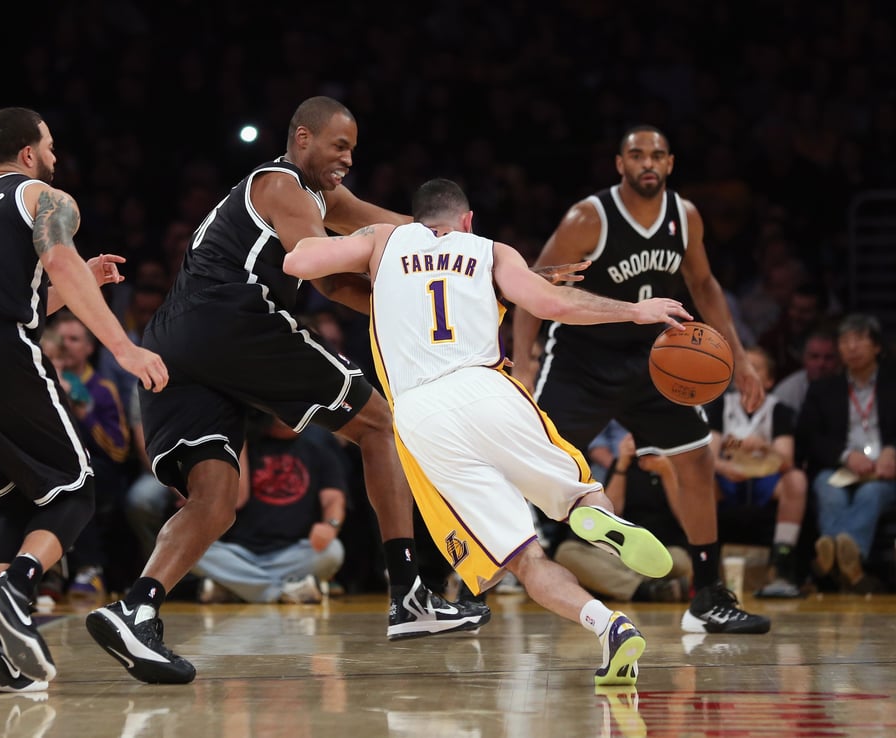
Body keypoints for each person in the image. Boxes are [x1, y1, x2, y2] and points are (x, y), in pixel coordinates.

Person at [86, 97, 489, 686]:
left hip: (177, 341)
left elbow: (409, 232)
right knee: (379, 425)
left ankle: (136, 609)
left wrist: (483, 263)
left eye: (354, 147)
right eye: (338, 145)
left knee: (215, 499)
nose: (348, 158)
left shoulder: (320, 195)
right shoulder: (280, 183)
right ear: (302, 138)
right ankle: (410, 595)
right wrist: (438, 298)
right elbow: (323, 274)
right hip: (235, 322)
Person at [283, 177, 691, 686]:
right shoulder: (491, 251)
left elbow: (298, 262)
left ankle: (608, 625)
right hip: (489, 388)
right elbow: (554, 306)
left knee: (522, 558)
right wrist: (636, 310)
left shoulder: (385, 239)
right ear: (467, 221)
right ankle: (594, 516)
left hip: (422, 414)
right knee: (577, 495)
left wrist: (362, 238)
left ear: (415, 219)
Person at [0, 107, 168, 694]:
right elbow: (57, 260)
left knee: (16, 507)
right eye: (49, 145)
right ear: (29, 154)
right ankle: (13, 587)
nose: (55, 155)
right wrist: (123, 348)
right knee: (76, 487)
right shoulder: (46, 198)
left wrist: (77, 289)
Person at [511, 125, 772, 634]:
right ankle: (471, 575)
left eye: (656, 155)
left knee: (697, 460)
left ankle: (708, 595)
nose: (647, 162)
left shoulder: (685, 217)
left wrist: (739, 359)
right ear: (620, 164)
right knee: (525, 459)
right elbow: (533, 283)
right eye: (636, 155)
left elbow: (705, 284)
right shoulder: (590, 217)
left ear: (671, 163)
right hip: (581, 360)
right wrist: (523, 361)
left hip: (657, 359)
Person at [193, 413, 347, 604]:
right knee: (192, 547)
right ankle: (283, 592)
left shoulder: (319, 441)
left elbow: (333, 497)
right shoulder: (241, 440)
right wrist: (239, 440)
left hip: (292, 552)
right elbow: (236, 500)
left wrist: (330, 525)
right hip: (239, 551)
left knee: (333, 551)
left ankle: (237, 587)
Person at [795, 313, 896, 594]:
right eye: (845, 340)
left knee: (871, 493)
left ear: (877, 346)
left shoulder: (892, 382)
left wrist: (892, 451)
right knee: (828, 489)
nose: (852, 347)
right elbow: (809, 436)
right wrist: (845, 455)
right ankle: (851, 566)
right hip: (839, 468)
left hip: (884, 471)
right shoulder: (823, 388)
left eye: (859, 339)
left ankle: (831, 556)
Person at [705, 346, 808, 598]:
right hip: (727, 477)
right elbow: (709, 456)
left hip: (765, 477)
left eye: (756, 367)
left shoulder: (779, 410)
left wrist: (765, 447)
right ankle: (706, 564)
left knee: (796, 479)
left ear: (770, 380)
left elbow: (786, 461)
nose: (747, 371)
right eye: (743, 366)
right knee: (699, 478)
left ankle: (782, 563)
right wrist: (725, 467)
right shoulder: (720, 405)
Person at [556, 432, 692, 603]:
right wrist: (621, 464)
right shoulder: (622, 465)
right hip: (623, 552)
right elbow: (609, 516)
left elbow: (686, 520)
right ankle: (645, 589)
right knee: (566, 553)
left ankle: (626, 585)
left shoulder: (676, 464)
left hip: (667, 549)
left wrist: (666, 472)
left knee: (679, 563)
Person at [53, 311, 131, 598]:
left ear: (89, 347)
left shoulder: (102, 389)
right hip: (55, 466)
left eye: (74, 339)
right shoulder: (43, 385)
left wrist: (85, 415)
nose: (66, 345)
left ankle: (90, 569)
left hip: (100, 467)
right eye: (60, 339)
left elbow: (120, 450)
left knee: (78, 480)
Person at [772, 328, 840, 415]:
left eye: (828, 357)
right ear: (804, 359)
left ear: (839, 360)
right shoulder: (785, 393)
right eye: (814, 357)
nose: (821, 364)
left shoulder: (848, 388)